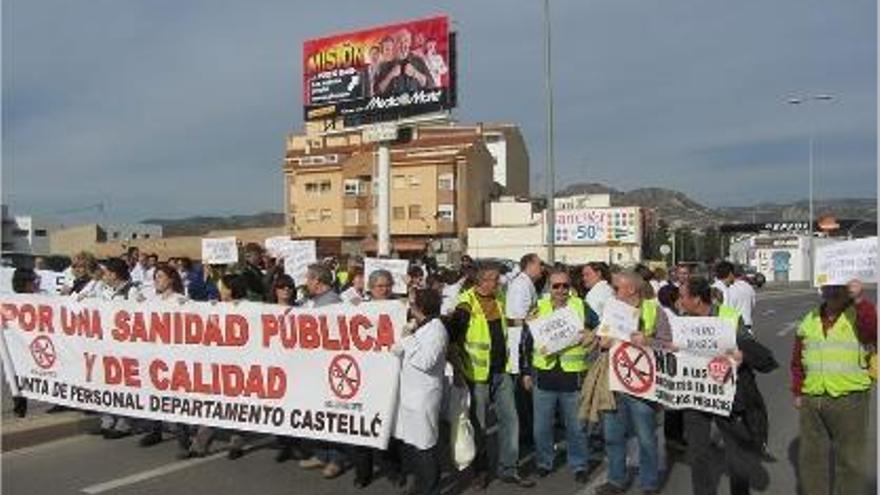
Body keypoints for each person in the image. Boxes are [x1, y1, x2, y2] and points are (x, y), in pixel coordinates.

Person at [678, 277, 777, 495]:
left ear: (696, 299)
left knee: (736, 452)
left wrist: (743, 354)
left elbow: (753, 349)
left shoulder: (729, 317)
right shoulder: (682, 321)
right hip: (696, 396)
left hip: (728, 396)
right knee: (698, 453)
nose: (679, 301)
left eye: (682, 296)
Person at [448, 263, 534, 488]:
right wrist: (457, 370)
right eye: (495, 280)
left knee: (510, 420)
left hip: (501, 371)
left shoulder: (498, 299)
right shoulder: (466, 304)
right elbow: (452, 339)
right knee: (480, 426)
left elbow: (508, 325)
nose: (499, 283)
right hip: (477, 376)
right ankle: (480, 472)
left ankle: (509, 468)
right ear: (482, 281)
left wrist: (527, 321)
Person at [791, 283, 876, 495]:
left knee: (850, 463)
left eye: (838, 287)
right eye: (827, 288)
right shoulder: (809, 319)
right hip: (813, 399)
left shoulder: (860, 314)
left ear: (846, 290)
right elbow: (797, 360)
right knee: (811, 461)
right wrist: (798, 391)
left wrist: (859, 300)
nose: (832, 292)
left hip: (850, 398)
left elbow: (873, 332)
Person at [594, 271, 672, 495]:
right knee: (613, 436)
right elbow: (601, 341)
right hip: (615, 384)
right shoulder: (611, 310)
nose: (613, 291)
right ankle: (616, 480)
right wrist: (603, 342)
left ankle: (648, 483)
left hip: (642, 387)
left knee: (646, 437)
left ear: (631, 289)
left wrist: (647, 341)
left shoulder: (654, 310)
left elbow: (668, 345)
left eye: (617, 287)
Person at [522, 268, 598, 483]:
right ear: (549, 287)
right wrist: (526, 371)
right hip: (544, 376)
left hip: (572, 378)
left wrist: (592, 334)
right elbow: (526, 342)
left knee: (576, 426)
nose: (561, 290)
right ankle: (544, 462)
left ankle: (579, 465)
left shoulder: (580, 306)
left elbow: (601, 326)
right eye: (556, 286)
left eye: (565, 285)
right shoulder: (538, 308)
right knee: (542, 427)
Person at [179, 273, 250, 460]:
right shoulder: (216, 307)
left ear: (230, 289)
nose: (219, 290)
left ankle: (236, 442)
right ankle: (199, 445)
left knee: (236, 406)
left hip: (240, 364)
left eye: (222, 287)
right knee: (211, 404)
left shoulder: (250, 308)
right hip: (218, 363)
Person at [391, 288, 448, 495]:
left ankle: (431, 488)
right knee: (413, 444)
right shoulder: (421, 326)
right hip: (411, 395)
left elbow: (425, 361)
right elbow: (399, 349)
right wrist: (403, 338)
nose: (409, 306)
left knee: (425, 446)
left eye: (413, 303)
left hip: (424, 396)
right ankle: (420, 485)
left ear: (420, 307)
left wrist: (408, 339)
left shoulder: (437, 329)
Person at [351, 268, 403, 488]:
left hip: (389, 377)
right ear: (370, 288)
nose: (385, 289)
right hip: (363, 377)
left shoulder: (399, 308)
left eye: (388, 285)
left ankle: (393, 470)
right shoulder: (358, 308)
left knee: (389, 427)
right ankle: (363, 472)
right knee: (360, 425)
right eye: (380, 286)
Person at [298, 263, 347, 479]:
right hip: (312, 368)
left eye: (309, 279)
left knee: (331, 414)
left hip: (327, 367)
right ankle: (321, 454)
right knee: (316, 413)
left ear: (317, 281)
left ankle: (336, 459)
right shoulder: (312, 302)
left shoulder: (333, 303)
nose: (306, 283)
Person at [139, 265, 188, 448]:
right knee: (154, 394)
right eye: (155, 277)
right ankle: (155, 430)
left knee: (175, 396)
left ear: (171, 279)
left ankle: (183, 434)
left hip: (174, 357)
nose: (156, 280)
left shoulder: (181, 301)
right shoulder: (152, 301)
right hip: (154, 356)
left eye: (160, 276)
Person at [98, 258, 142, 439]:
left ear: (114, 274)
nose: (103, 276)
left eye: (106, 273)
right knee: (106, 384)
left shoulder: (132, 292)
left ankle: (125, 423)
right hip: (107, 346)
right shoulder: (105, 292)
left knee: (125, 387)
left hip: (125, 348)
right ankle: (108, 420)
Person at [8, 267, 39, 417]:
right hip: (18, 348)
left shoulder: (42, 301)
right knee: (18, 376)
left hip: (35, 347)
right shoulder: (10, 302)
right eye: (34, 281)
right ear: (26, 284)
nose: (36, 284)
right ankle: (19, 405)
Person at [375, 29, 435, 95]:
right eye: (399, 41)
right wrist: (390, 75)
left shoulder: (418, 61)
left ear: (409, 43)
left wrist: (415, 73)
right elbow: (377, 91)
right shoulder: (386, 64)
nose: (403, 44)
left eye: (406, 40)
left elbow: (432, 85)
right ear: (395, 44)